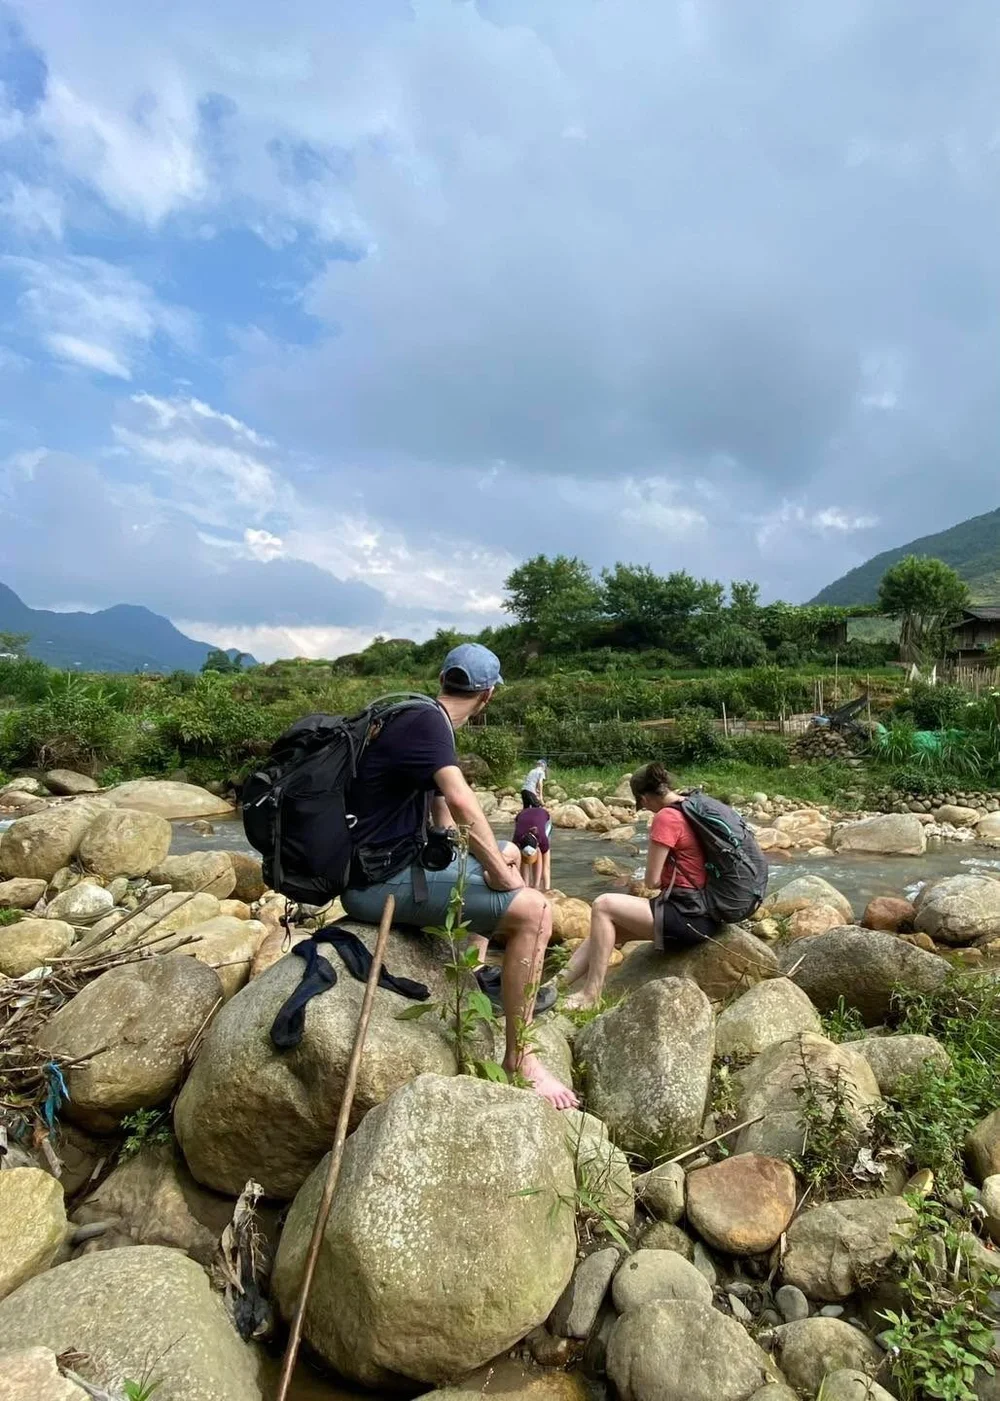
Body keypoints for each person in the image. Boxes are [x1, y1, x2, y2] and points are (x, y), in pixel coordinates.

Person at [342, 643, 576, 1109]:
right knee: (535, 911)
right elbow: (464, 802)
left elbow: (442, 819)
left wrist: (490, 856)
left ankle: (473, 971)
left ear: (443, 680)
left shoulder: (408, 714)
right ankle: (520, 1059)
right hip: (377, 884)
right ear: (487, 696)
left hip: (376, 868)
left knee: (507, 850)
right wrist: (499, 874)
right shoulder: (430, 724)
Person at [558, 762, 720, 1009]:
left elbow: (652, 881)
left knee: (603, 905)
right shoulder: (690, 806)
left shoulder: (666, 817)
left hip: (687, 915)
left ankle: (591, 995)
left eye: (642, 803)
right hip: (706, 913)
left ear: (644, 798)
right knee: (606, 931)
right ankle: (550, 990)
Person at [512, 802, 551, 890]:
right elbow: (515, 865)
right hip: (522, 816)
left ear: (537, 845)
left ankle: (537, 885)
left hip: (543, 816)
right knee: (524, 860)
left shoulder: (543, 840)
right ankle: (525, 885)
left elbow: (547, 867)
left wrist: (547, 890)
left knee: (542, 856)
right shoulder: (517, 839)